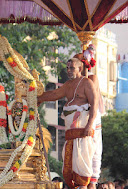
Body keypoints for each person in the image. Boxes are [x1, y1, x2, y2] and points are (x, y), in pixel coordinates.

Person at [38, 58, 98, 189]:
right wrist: (38, 98)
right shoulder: (68, 85)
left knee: (82, 171)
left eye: (72, 68)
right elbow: (54, 94)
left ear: (80, 69)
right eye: (67, 68)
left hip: (83, 134)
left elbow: (95, 104)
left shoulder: (87, 83)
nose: (69, 71)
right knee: (68, 169)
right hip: (70, 136)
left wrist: (89, 124)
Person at [74, 53, 104, 189]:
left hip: (92, 121)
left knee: (94, 153)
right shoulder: (72, 83)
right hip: (79, 122)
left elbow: (93, 100)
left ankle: (91, 184)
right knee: (80, 154)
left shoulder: (93, 78)